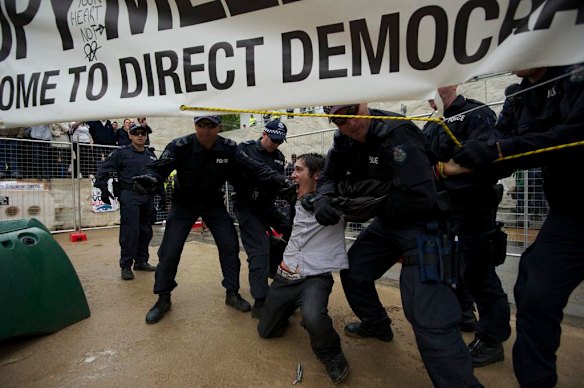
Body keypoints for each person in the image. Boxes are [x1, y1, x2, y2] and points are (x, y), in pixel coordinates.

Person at [315, 103, 481, 387]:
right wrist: (323, 197)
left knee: (429, 315)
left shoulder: (398, 133)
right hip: (388, 222)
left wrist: (362, 201)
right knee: (354, 271)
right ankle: (377, 325)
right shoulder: (344, 139)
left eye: (352, 111)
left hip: (427, 226)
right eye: (339, 119)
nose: (350, 123)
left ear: (365, 102)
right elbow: (329, 176)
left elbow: (422, 196)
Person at [451, 63, 584, 388]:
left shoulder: (576, 76)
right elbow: (498, 148)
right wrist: (472, 159)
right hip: (571, 214)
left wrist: (496, 150)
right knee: (534, 291)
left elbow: (570, 137)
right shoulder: (518, 95)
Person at [422, 85, 511, 367]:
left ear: (451, 83)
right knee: (445, 268)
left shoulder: (476, 113)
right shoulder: (432, 125)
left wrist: (444, 168)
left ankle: (492, 339)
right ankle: (463, 316)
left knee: (478, 274)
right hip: (441, 209)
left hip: (473, 209)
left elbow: (487, 158)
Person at [134, 115, 252, 324]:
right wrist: (150, 178)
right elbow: (159, 167)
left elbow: (252, 170)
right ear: (195, 126)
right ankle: (163, 298)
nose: (206, 130)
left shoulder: (229, 148)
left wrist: (275, 181)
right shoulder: (180, 145)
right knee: (170, 250)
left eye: (211, 126)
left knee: (230, 244)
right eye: (201, 125)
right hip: (183, 203)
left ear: (219, 127)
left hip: (213, 203)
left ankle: (232, 293)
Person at [258, 153, 350, 384]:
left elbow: (361, 191)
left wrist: (322, 199)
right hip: (285, 277)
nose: (293, 174)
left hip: (315, 278)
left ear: (317, 175)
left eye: (298, 169)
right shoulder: (294, 196)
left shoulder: (338, 202)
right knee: (265, 331)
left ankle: (330, 353)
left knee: (313, 317)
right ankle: (287, 308)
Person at [231, 119, 296, 318]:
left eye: (279, 141)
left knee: (292, 228)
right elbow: (245, 174)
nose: (275, 144)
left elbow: (277, 185)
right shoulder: (245, 150)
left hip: (267, 205)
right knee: (258, 249)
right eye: (273, 139)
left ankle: (280, 272)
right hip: (247, 206)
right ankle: (261, 300)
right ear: (264, 133)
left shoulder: (279, 157)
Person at [94, 124, 157, 280]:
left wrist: (160, 195)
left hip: (147, 195)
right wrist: (103, 189)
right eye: (136, 133)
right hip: (129, 194)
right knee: (130, 231)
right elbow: (104, 169)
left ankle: (141, 261)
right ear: (130, 135)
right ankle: (126, 265)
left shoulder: (151, 155)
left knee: (145, 230)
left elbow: (158, 175)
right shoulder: (121, 153)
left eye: (143, 133)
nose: (140, 136)